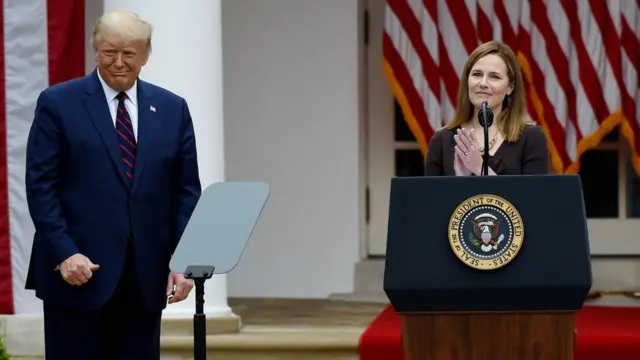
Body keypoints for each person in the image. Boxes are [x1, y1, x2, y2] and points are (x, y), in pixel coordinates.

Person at [24, 11, 200, 359]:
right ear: (95, 50)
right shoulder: (58, 103)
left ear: (146, 55)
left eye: (129, 53)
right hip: (77, 275)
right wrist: (64, 252)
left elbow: (185, 192)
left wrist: (184, 259)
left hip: (144, 280)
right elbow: (41, 185)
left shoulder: (171, 108)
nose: (118, 63)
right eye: (109, 52)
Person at [425, 41, 549, 176]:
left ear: (510, 87)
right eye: (477, 74)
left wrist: (480, 169)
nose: (483, 83)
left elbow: (533, 197)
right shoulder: (441, 141)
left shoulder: (531, 138)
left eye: (494, 76)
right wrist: (461, 180)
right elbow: (431, 196)